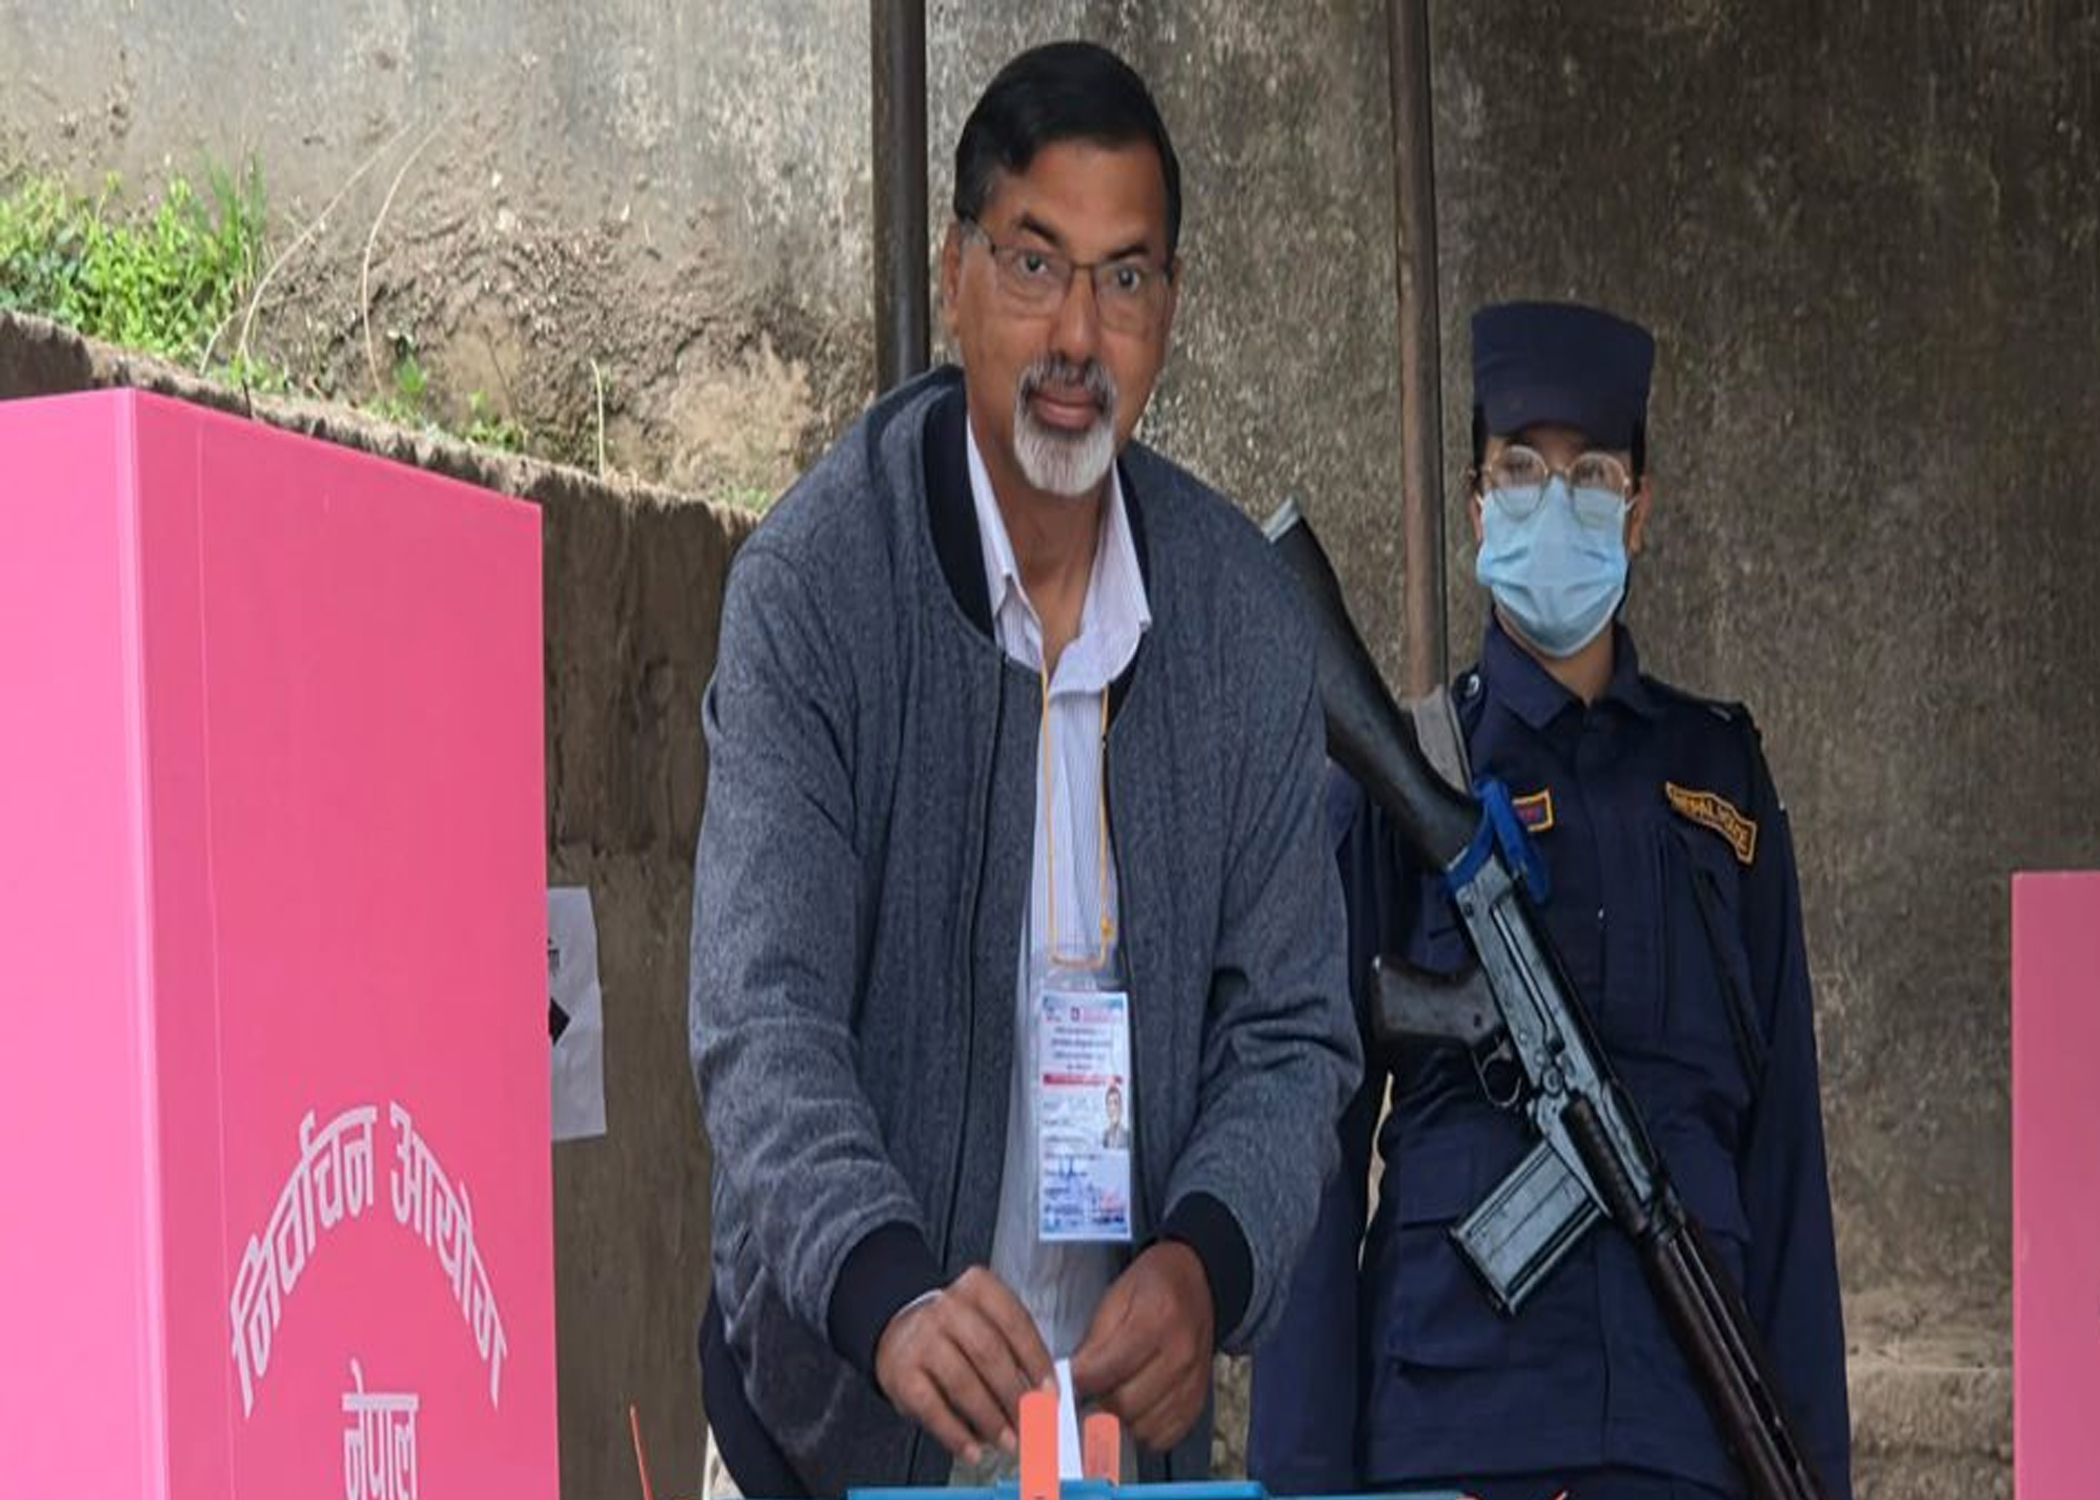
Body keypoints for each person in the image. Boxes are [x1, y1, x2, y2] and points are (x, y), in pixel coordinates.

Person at [688, 40, 1358, 1500]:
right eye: (1035, 263)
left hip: (1108, 1457)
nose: (1076, 336)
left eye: (1124, 280)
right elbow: (762, 1015)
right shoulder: (818, 591)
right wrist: (884, 1288)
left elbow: (1292, 1030)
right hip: (828, 1438)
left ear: (1169, 308)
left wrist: (1208, 1259)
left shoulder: (1240, 626)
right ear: (957, 273)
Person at [1246, 302, 1852, 1500]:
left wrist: (1817, 1472)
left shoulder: (1722, 780)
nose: (1554, 501)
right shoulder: (1414, 774)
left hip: (1686, 1436)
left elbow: (1785, 1155)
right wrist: (1302, 1483)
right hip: (1456, 1427)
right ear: (1479, 507)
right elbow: (1311, 1138)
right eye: (1521, 469)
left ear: (1639, 509)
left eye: (1592, 475)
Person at [1103, 1084, 1132, 1150]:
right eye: (1110, 1103)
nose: (1113, 1108)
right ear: (1107, 1110)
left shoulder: (1129, 1137)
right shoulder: (1104, 1138)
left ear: (1121, 1108)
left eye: (1116, 1103)